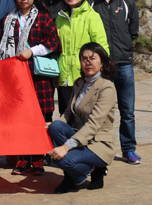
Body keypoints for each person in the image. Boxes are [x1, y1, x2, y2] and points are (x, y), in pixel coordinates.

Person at [0, 0, 61, 176]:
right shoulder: (8, 20)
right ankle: (24, 158)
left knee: (40, 119)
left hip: (38, 77)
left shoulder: (43, 18)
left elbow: (53, 43)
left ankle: (38, 159)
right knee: (20, 119)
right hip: (15, 79)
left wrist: (31, 51)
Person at [47, 42, 117, 194]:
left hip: (98, 142)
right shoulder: (79, 83)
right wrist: (52, 124)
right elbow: (68, 113)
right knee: (55, 127)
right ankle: (78, 174)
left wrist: (66, 147)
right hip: (80, 135)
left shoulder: (107, 87)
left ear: (102, 63)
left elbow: (93, 124)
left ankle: (90, 171)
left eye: (93, 58)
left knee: (64, 159)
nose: (88, 62)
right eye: (84, 59)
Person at [90, 0, 141, 165]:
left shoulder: (128, 3)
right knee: (99, 111)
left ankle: (128, 150)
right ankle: (98, 150)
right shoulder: (91, 5)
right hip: (101, 67)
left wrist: (124, 49)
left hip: (124, 64)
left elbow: (133, 31)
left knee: (127, 111)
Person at [55, 0, 110, 115]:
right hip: (64, 77)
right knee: (66, 116)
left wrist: (99, 70)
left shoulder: (91, 16)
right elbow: (56, 47)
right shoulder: (60, 18)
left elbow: (101, 47)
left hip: (85, 75)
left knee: (84, 116)